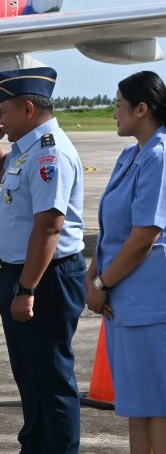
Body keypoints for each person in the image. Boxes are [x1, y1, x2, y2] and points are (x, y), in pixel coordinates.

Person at [0, 67, 86, 454]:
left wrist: (27, 289)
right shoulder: (26, 149)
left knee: (51, 377)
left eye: (3, 112)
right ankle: (36, 445)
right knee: (29, 374)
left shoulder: (49, 154)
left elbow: (48, 229)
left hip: (45, 279)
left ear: (28, 108)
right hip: (22, 275)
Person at [85, 71, 166, 454]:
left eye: (119, 104)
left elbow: (144, 235)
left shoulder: (159, 157)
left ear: (142, 109)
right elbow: (111, 229)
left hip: (150, 306)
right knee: (137, 405)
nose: (114, 111)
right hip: (124, 304)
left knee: (160, 408)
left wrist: (102, 286)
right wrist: (93, 277)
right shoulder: (131, 154)